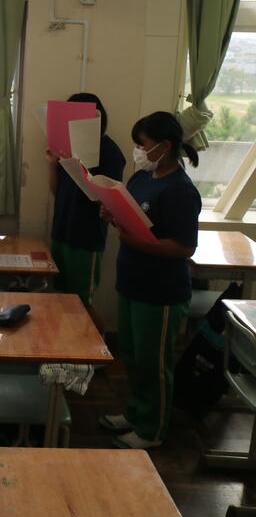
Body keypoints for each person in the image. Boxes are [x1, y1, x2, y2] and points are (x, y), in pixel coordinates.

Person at [99, 111, 201, 450]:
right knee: (131, 355)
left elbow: (183, 247)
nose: (138, 151)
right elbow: (132, 221)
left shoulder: (180, 190)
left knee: (153, 362)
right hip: (132, 281)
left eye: (142, 145)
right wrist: (112, 215)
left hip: (161, 291)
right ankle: (136, 413)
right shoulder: (142, 177)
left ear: (164, 146)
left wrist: (136, 242)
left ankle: (152, 430)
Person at [45, 92, 126, 334]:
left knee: (81, 302)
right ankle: (70, 346)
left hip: (86, 237)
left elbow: (109, 199)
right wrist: (53, 166)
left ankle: (101, 348)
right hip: (61, 231)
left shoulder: (109, 151)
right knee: (62, 297)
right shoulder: (67, 147)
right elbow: (57, 192)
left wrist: (81, 169)